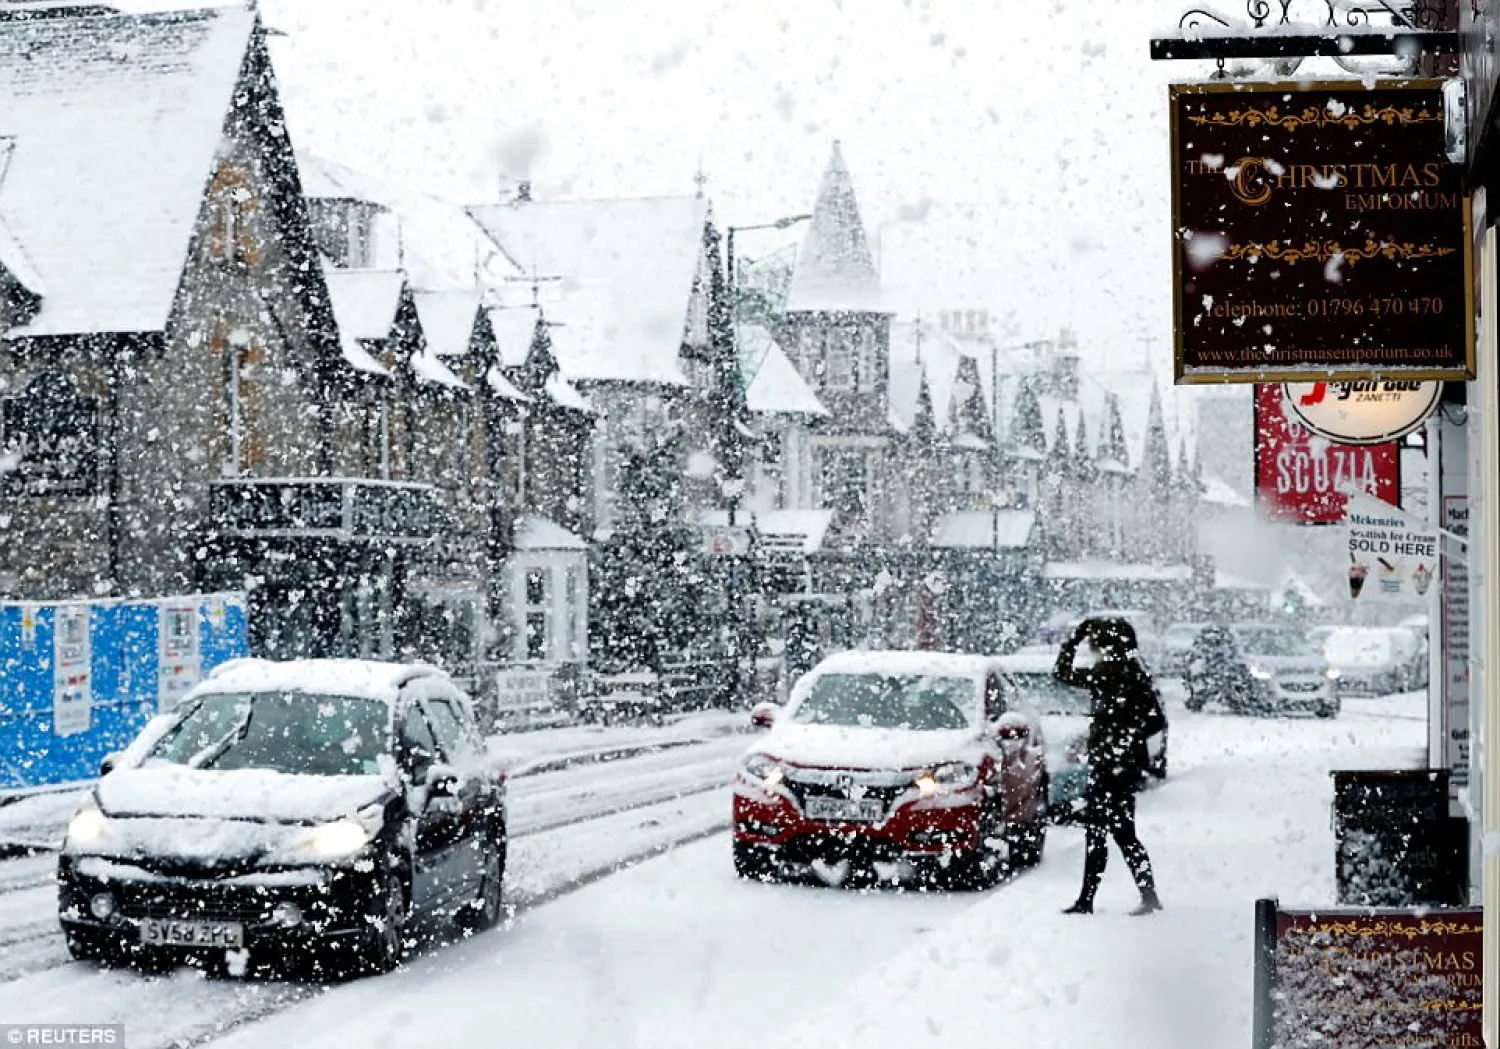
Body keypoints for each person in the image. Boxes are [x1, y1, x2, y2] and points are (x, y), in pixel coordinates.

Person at [1053, 616, 1167, 916]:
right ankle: (1146, 895)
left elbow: (1061, 673)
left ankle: (1088, 899)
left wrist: (1071, 642)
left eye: (1093, 641)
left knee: (1100, 832)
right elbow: (1156, 720)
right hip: (1124, 766)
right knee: (1121, 832)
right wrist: (1132, 741)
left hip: (1108, 765)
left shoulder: (1106, 673)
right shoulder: (1137, 673)